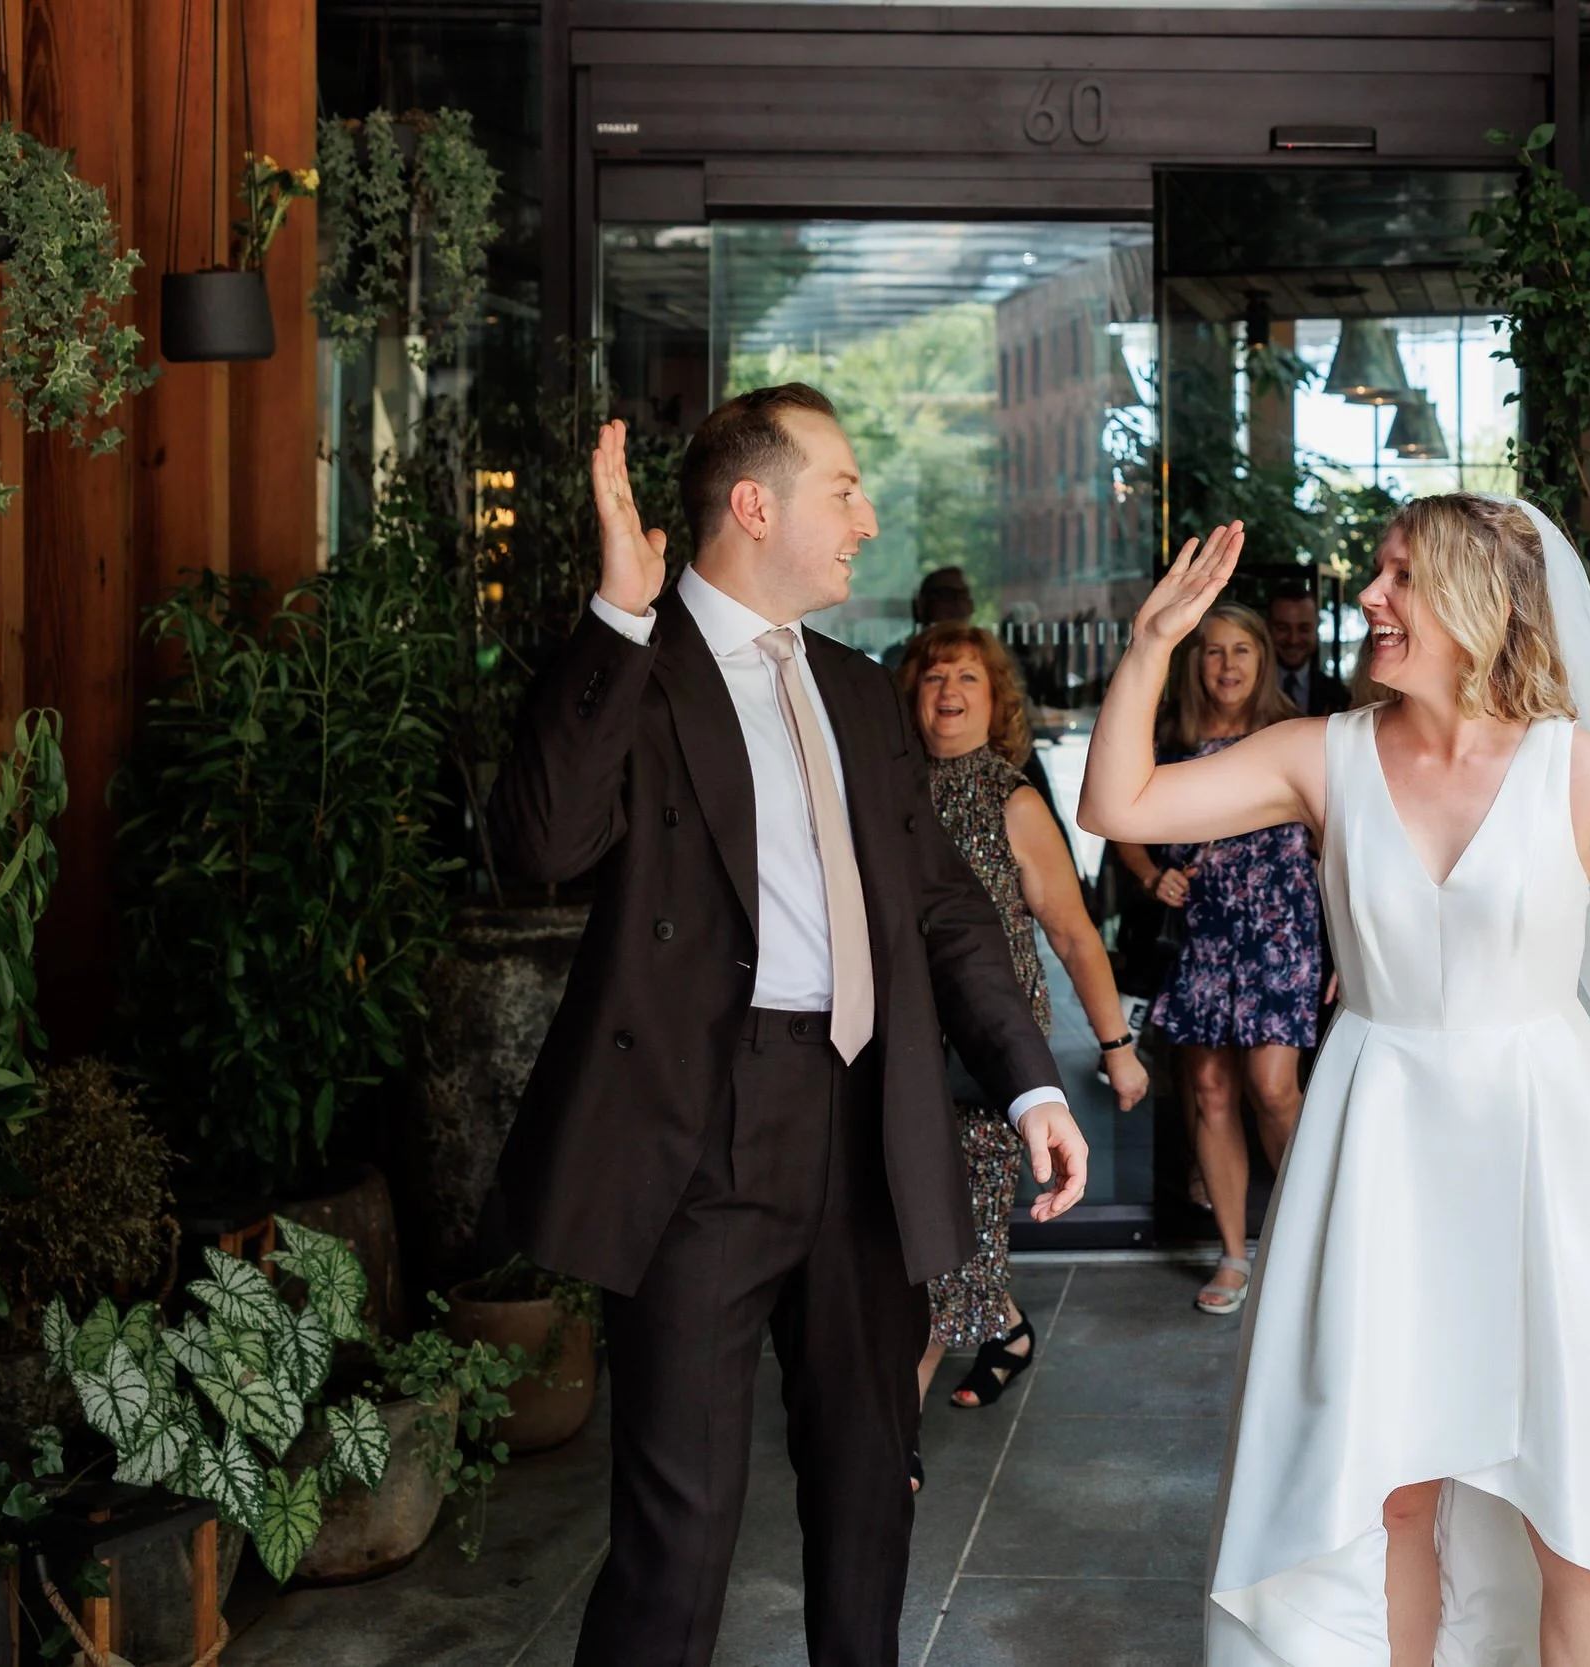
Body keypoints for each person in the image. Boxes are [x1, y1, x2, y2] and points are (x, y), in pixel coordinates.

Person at [1079, 496, 1590, 1666]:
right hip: (1378, 1154)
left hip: (1554, 1161)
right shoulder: (1325, 755)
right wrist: (1152, 642)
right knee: (1384, 1494)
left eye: (1399, 575)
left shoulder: (1585, 774)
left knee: (1586, 1510)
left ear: (1479, 603)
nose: (1370, 595)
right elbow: (1119, 805)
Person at [485, 387, 1091, 1667]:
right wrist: (614, 613)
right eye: (846, 488)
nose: (867, 518)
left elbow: (945, 912)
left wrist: (1032, 1084)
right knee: (681, 1527)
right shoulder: (638, 666)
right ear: (756, 506)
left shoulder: (862, 692)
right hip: (700, 1134)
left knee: (873, 1487)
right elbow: (537, 844)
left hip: (869, 1121)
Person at [898, 625, 1150, 1445]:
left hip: (990, 1054)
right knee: (922, 1223)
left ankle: (891, 1436)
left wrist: (1117, 1049)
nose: (949, 690)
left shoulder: (1015, 799)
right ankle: (1004, 1324)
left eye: (967, 676)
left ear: (996, 698)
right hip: (903, 1045)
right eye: (933, 676)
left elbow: (1076, 935)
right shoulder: (883, 795)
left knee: (952, 1224)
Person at [1110, 602, 1323, 1317]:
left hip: (1282, 934)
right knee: (1209, 1092)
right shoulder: (1168, 739)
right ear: (1193, 664)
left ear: (1263, 659)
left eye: (1241, 649)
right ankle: (1234, 1252)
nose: (1227, 664)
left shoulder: (1297, 736)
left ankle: (1309, 1242)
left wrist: (1349, 949)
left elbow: (1345, 845)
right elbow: (1119, 824)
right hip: (1205, 934)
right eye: (1211, 651)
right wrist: (1149, 875)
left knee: (1272, 1088)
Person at [1269, 588, 1352, 717]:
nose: (1293, 640)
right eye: (1283, 628)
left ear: (1316, 630)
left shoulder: (1339, 695)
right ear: (1267, 628)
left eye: (1304, 629)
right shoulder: (1244, 690)